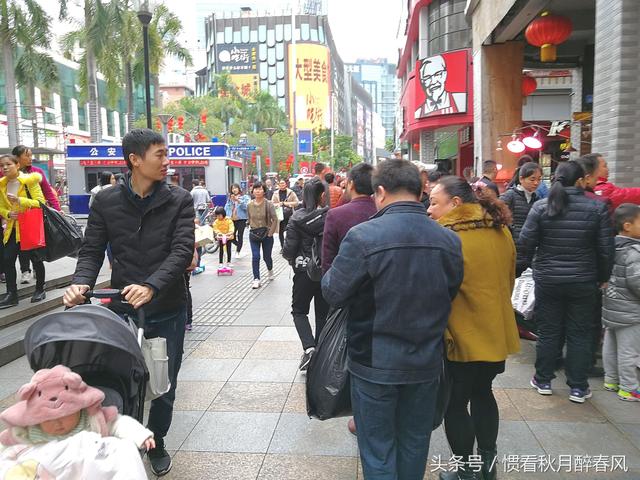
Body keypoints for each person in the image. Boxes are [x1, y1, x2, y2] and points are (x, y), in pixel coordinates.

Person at [63, 128, 195, 476]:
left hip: (166, 305)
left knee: (163, 381)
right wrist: (80, 284)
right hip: (121, 307)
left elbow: (182, 251)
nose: (167, 162)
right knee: (122, 378)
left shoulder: (179, 199)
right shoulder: (105, 201)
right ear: (135, 160)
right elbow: (91, 250)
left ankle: (158, 440)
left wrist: (152, 285)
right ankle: (124, 439)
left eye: (167, 154)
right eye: (160, 155)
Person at [322, 159, 464, 480]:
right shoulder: (449, 240)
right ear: (420, 190)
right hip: (426, 359)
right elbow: (451, 291)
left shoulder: (362, 237)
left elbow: (333, 292)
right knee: (415, 442)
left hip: (374, 362)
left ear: (381, 191)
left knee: (377, 447)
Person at [428, 176, 520, 480]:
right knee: (484, 393)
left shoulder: (445, 236)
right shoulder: (500, 229)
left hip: (459, 335)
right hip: (495, 331)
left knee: (456, 402)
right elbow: (509, 280)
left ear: (455, 204)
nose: (429, 210)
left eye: (434, 202)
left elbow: (439, 292)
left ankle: (465, 471)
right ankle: (488, 466)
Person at [519, 161, 614, 403]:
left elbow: (526, 241)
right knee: (580, 333)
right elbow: (606, 248)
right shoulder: (597, 207)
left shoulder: (542, 207)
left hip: (548, 279)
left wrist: (527, 267)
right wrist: (603, 277)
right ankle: (578, 387)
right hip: (584, 280)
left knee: (549, 331)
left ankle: (543, 379)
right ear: (581, 180)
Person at [0, 365, 152, 478]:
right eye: (50, 420)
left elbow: (118, 423)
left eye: (64, 417)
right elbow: (10, 448)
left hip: (87, 466)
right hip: (49, 468)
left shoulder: (91, 419)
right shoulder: (31, 430)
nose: (58, 424)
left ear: (78, 410)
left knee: (124, 451)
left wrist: (141, 435)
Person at [282, 178, 329, 371]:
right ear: (322, 196)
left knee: (299, 311)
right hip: (325, 270)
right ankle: (321, 352)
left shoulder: (296, 218)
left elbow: (288, 249)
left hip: (303, 271)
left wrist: (294, 260)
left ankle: (309, 347)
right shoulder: (330, 216)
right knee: (323, 313)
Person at [602, 204, 640, 401]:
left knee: (611, 345)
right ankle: (629, 387)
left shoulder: (611, 246)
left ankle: (611, 379)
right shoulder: (634, 251)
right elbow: (637, 281)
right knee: (629, 351)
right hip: (630, 311)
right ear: (627, 226)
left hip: (612, 306)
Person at [0, 154, 46, 308]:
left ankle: (40, 289)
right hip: (13, 228)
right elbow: (1, 207)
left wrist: (20, 201)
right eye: (2, 165)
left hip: (29, 227)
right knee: (7, 259)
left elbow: (40, 203)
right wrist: (7, 213)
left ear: (17, 165)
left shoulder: (30, 181)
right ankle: (12, 294)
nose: (4, 168)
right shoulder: (2, 185)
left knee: (35, 258)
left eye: (8, 164)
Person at [11, 146, 60, 287]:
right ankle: (25, 270)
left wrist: (56, 210)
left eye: (31, 155)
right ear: (17, 158)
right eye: (27, 155)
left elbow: (48, 192)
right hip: (14, 218)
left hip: (34, 215)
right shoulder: (8, 174)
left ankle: (39, 280)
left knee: (35, 246)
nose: (30, 158)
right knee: (20, 247)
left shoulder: (37, 173)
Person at [322, 163, 376, 274]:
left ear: (350, 184)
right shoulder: (382, 211)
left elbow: (328, 258)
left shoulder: (335, 215)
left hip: (344, 279)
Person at [500, 162, 542, 276]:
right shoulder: (510, 196)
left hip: (529, 251)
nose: (536, 183)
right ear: (521, 179)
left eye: (539, 179)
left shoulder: (537, 199)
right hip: (512, 249)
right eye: (532, 179)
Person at [247, 181, 278, 289]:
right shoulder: (249, 205)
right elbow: (249, 218)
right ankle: (256, 279)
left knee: (267, 257)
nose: (258, 191)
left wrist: (270, 233)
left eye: (260, 189)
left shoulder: (269, 204)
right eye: (256, 189)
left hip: (266, 235)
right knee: (256, 256)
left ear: (264, 191)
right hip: (254, 234)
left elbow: (275, 219)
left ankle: (270, 270)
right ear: (253, 191)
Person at [271, 179, 299, 251]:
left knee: (289, 231)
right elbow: (272, 203)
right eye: (280, 183)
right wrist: (278, 204)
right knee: (280, 231)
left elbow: (296, 202)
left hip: (289, 214)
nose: (282, 185)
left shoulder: (291, 192)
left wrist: (286, 204)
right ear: (279, 185)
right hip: (279, 215)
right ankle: (282, 247)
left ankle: (288, 246)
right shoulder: (275, 193)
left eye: (283, 183)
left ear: (286, 184)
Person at [225, 184, 250, 258]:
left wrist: (238, 200)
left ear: (239, 189)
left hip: (241, 219)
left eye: (235, 188)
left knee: (240, 235)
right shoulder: (230, 198)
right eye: (232, 188)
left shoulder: (245, 197)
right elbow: (227, 208)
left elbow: (247, 207)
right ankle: (239, 244)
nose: (234, 190)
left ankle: (238, 251)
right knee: (231, 235)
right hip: (232, 219)